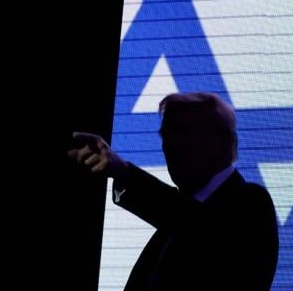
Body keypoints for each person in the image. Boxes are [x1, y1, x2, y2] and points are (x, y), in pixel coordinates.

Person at [68, 92, 279, 290]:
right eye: (166, 136)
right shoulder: (172, 223)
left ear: (223, 142)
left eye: (185, 132)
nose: (171, 146)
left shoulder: (250, 202)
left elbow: (201, 230)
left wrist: (125, 173)